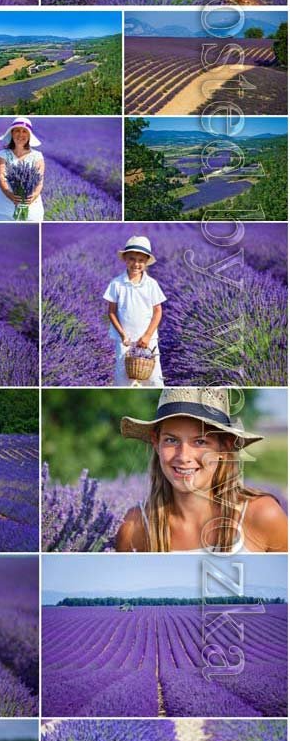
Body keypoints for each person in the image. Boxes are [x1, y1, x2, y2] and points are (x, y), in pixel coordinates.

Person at [115, 386, 288, 553]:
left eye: (200, 442)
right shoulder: (134, 527)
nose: (183, 456)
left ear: (224, 448)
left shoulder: (262, 515)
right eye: (171, 440)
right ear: (156, 442)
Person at [103, 235, 166, 386]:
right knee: (122, 378)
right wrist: (123, 335)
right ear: (125, 259)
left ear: (146, 263)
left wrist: (147, 335)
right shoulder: (116, 284)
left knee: (154, 379)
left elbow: (158, 311)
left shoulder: (151, 284)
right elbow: (111, 311)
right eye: (132, 259)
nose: (136, 264)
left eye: (141, 260)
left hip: (148, 340)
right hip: (124, 340)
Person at [0, 117, 45, 221]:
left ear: (29, 135)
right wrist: (10, 194)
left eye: (24, 131)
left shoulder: (37, 156)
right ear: (12, 133)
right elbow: (1, 177)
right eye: (17, 130)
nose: (21, 134)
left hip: (32, 209)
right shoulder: (3, 154)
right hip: (5, 208)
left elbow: (40, 180)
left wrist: (34, 195)